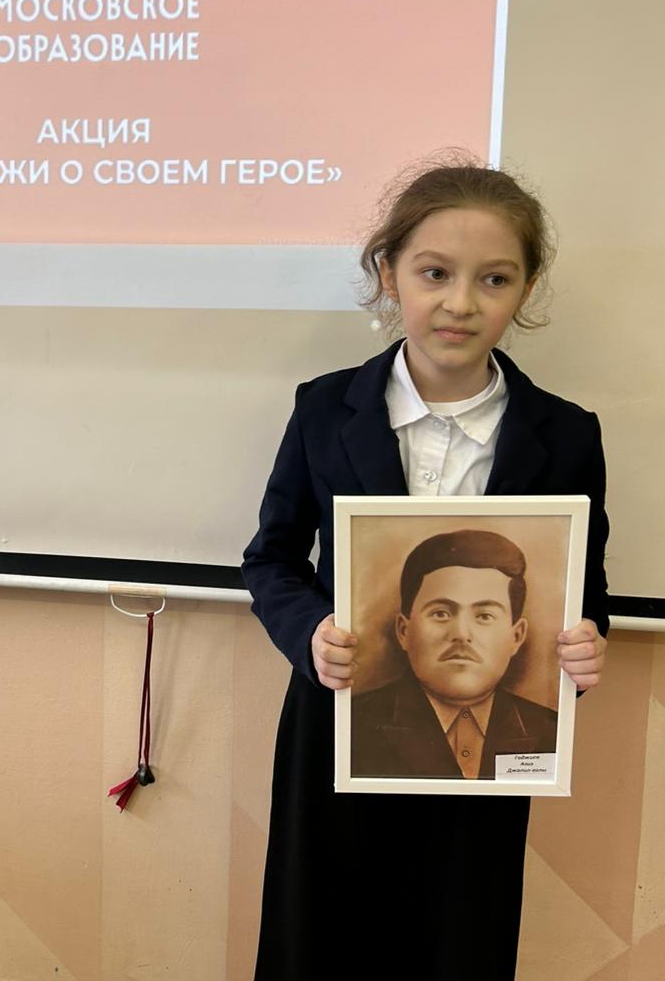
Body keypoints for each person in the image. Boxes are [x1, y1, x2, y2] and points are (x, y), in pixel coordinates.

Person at [242, 161, 609, 981]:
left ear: (526, 288)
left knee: (458, 939)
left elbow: (585, 595)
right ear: (390, 274)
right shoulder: (323, 408)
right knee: (321, 937)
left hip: (486, 759)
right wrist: (309, 634)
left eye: (494, 279)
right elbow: (271, 558)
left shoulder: (566, 435)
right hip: (337, 730)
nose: (461, 303)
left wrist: (585, 648)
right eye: (435, 273)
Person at [351, 529, 558, 781]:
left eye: (484, 616)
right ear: (404, 631)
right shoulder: (353, 724)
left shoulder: (550, 730)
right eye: (441, 613)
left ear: (516, 636)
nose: (461, 634)